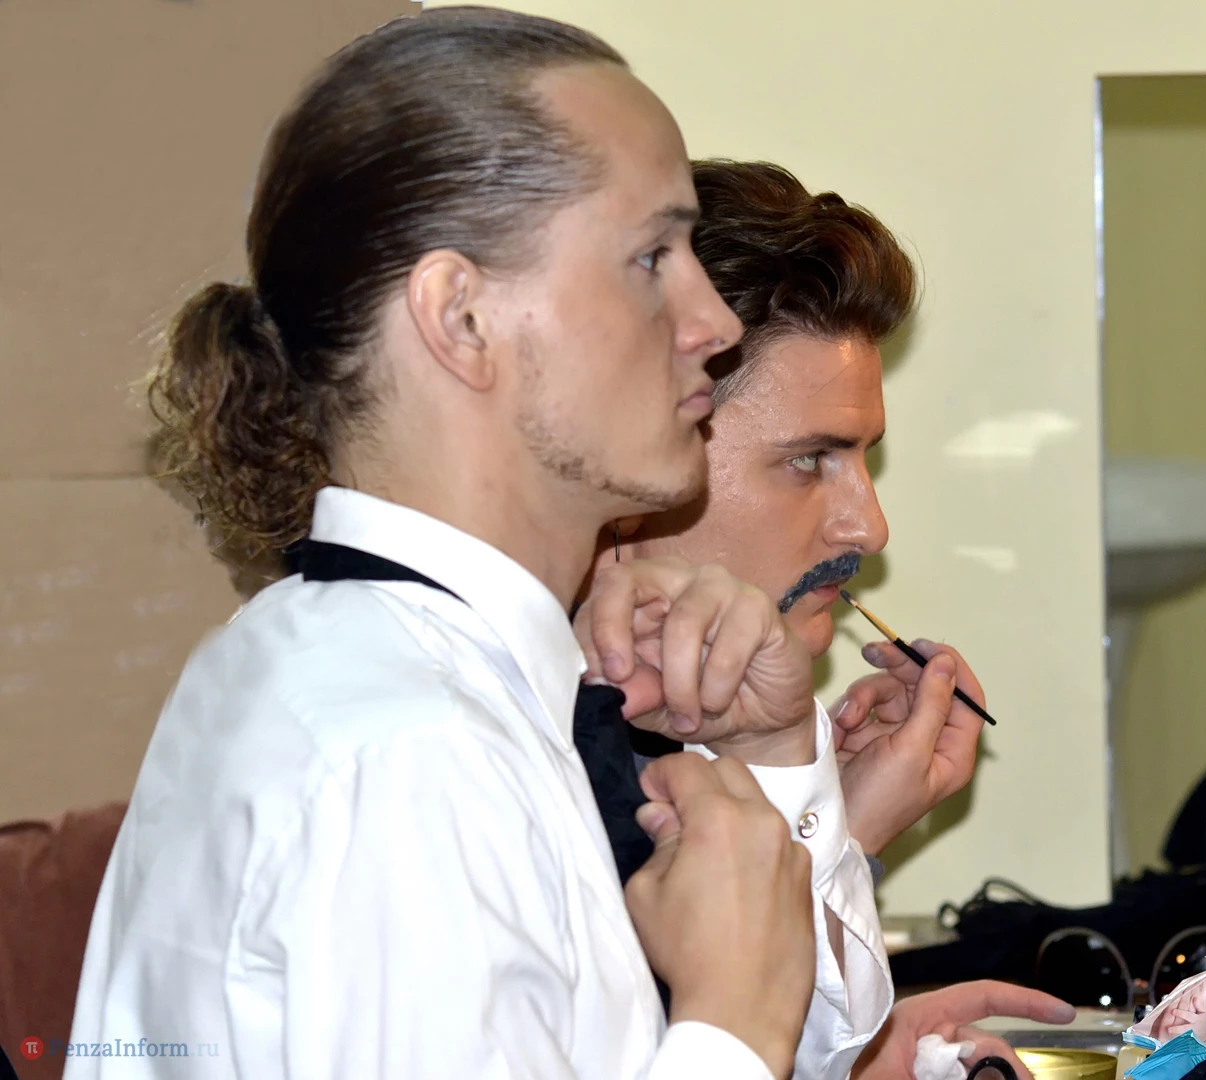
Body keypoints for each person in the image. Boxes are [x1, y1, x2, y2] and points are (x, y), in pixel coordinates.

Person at [68, 10, 873, 1079]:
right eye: (652, 257)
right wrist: (732, 1024)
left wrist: (763, 755)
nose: (714, 322)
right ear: (460, 319)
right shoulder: (404, 756)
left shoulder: (416, 684)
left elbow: (806, 1050)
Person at [585, 161, 1074, 1077]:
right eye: (810, 460)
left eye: (863, 461)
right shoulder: (514, 754)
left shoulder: (692, 737)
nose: (868, 528)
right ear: (644, 449)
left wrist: (842, 829)